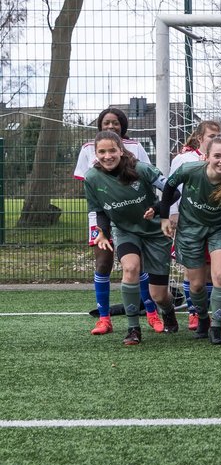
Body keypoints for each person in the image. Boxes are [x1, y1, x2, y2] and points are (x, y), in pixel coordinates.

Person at [82, 131, 178, 345]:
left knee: (159, 295)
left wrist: (155, 208)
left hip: (155, 233)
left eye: (112, 150)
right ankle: (133, 329)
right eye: (102, 152)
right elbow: (100, 210)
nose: (107, 156)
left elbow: (175, 192)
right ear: (96, 154)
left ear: (121, 151)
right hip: (125, 231)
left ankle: (168, 311)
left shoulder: (142, 169)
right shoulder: (91, 178)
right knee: (130, 268)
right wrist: (103, 233)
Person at [74, 107, 160, 336]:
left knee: (134, 265)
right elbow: (91, 190)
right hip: (102, 216)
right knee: (103, 263)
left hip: (133, 218)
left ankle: (151, 312)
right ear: (99, 127)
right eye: (106, 123)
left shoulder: (136, 148)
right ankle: (104, 319)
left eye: (115, 123)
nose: (111, 126)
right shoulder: (87, 150)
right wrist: (98, 230)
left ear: (123, 127)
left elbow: (148, 177)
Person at [155, 136, 221, 345]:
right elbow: (169, 188)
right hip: (190, 230)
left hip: (219, 230)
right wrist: (164, 217)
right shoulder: (190, 170)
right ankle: (203, 318)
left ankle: (217, 328)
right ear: (206, 157)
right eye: (217, 156)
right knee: (196, 285)